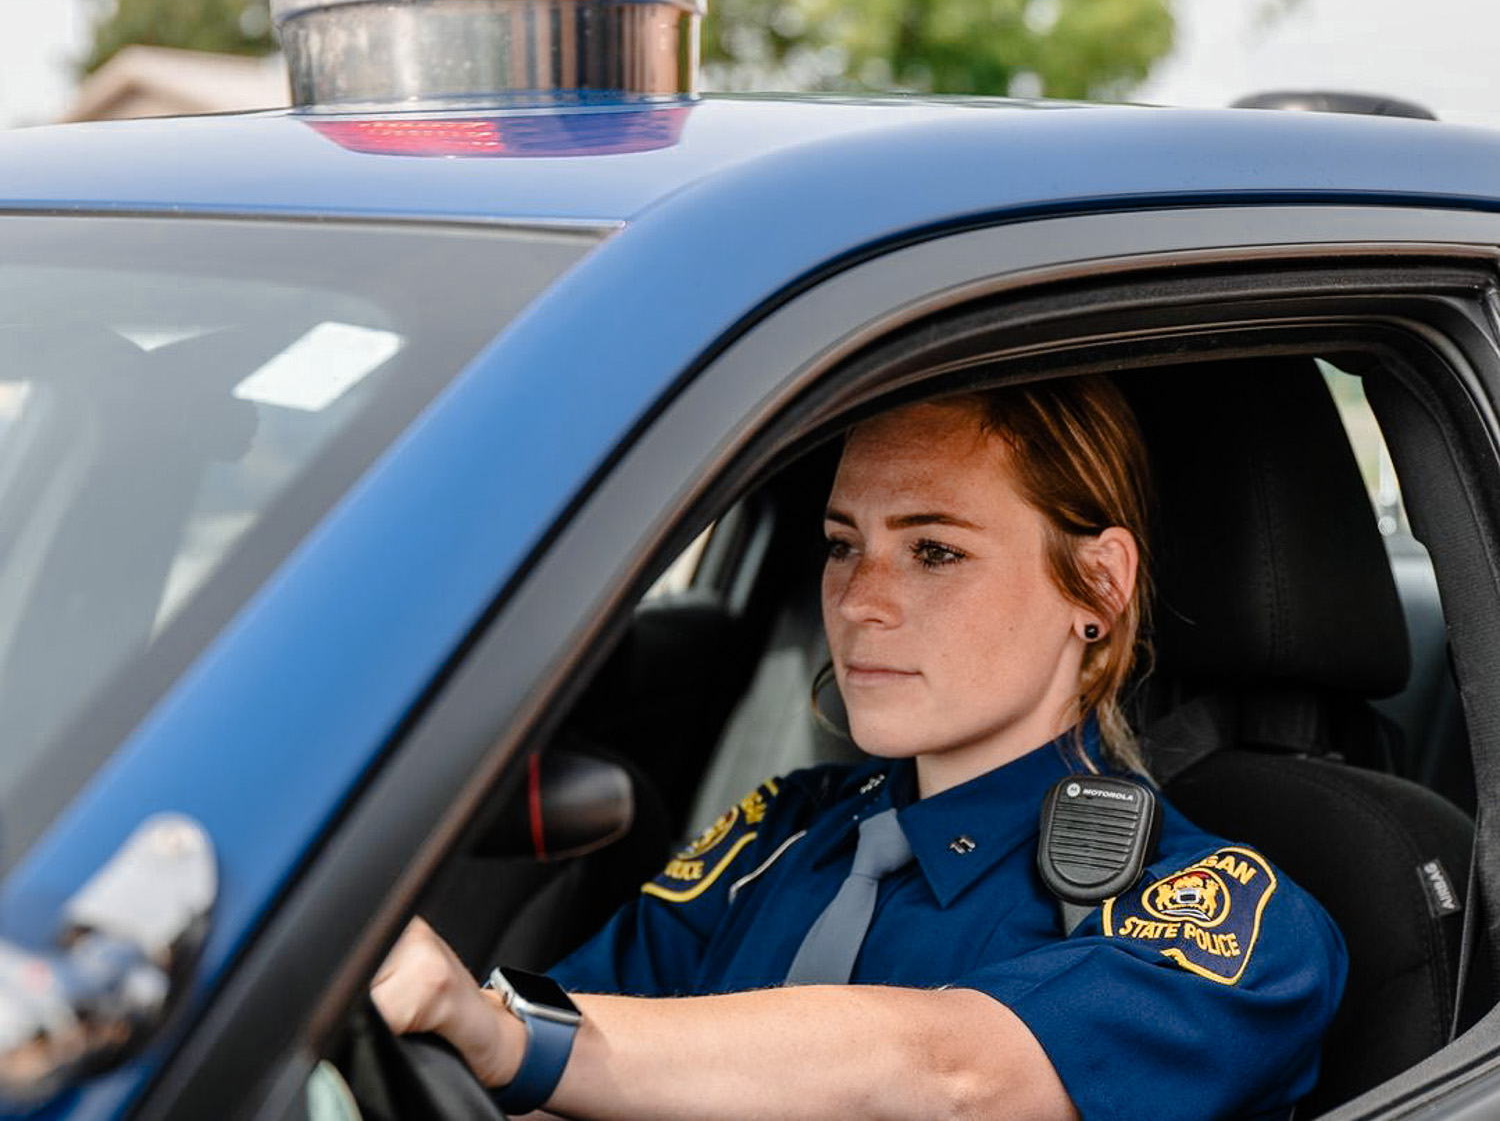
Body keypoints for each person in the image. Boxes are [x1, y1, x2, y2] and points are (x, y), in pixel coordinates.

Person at [373, 377, 1347, 1120]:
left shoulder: (1224, 923)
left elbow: (953, 1072)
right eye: (843, 543)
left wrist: (506, 1035)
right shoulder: (783, 830)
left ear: (1096, 588)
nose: (859, 599)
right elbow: (578, 1065)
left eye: (934, 551)